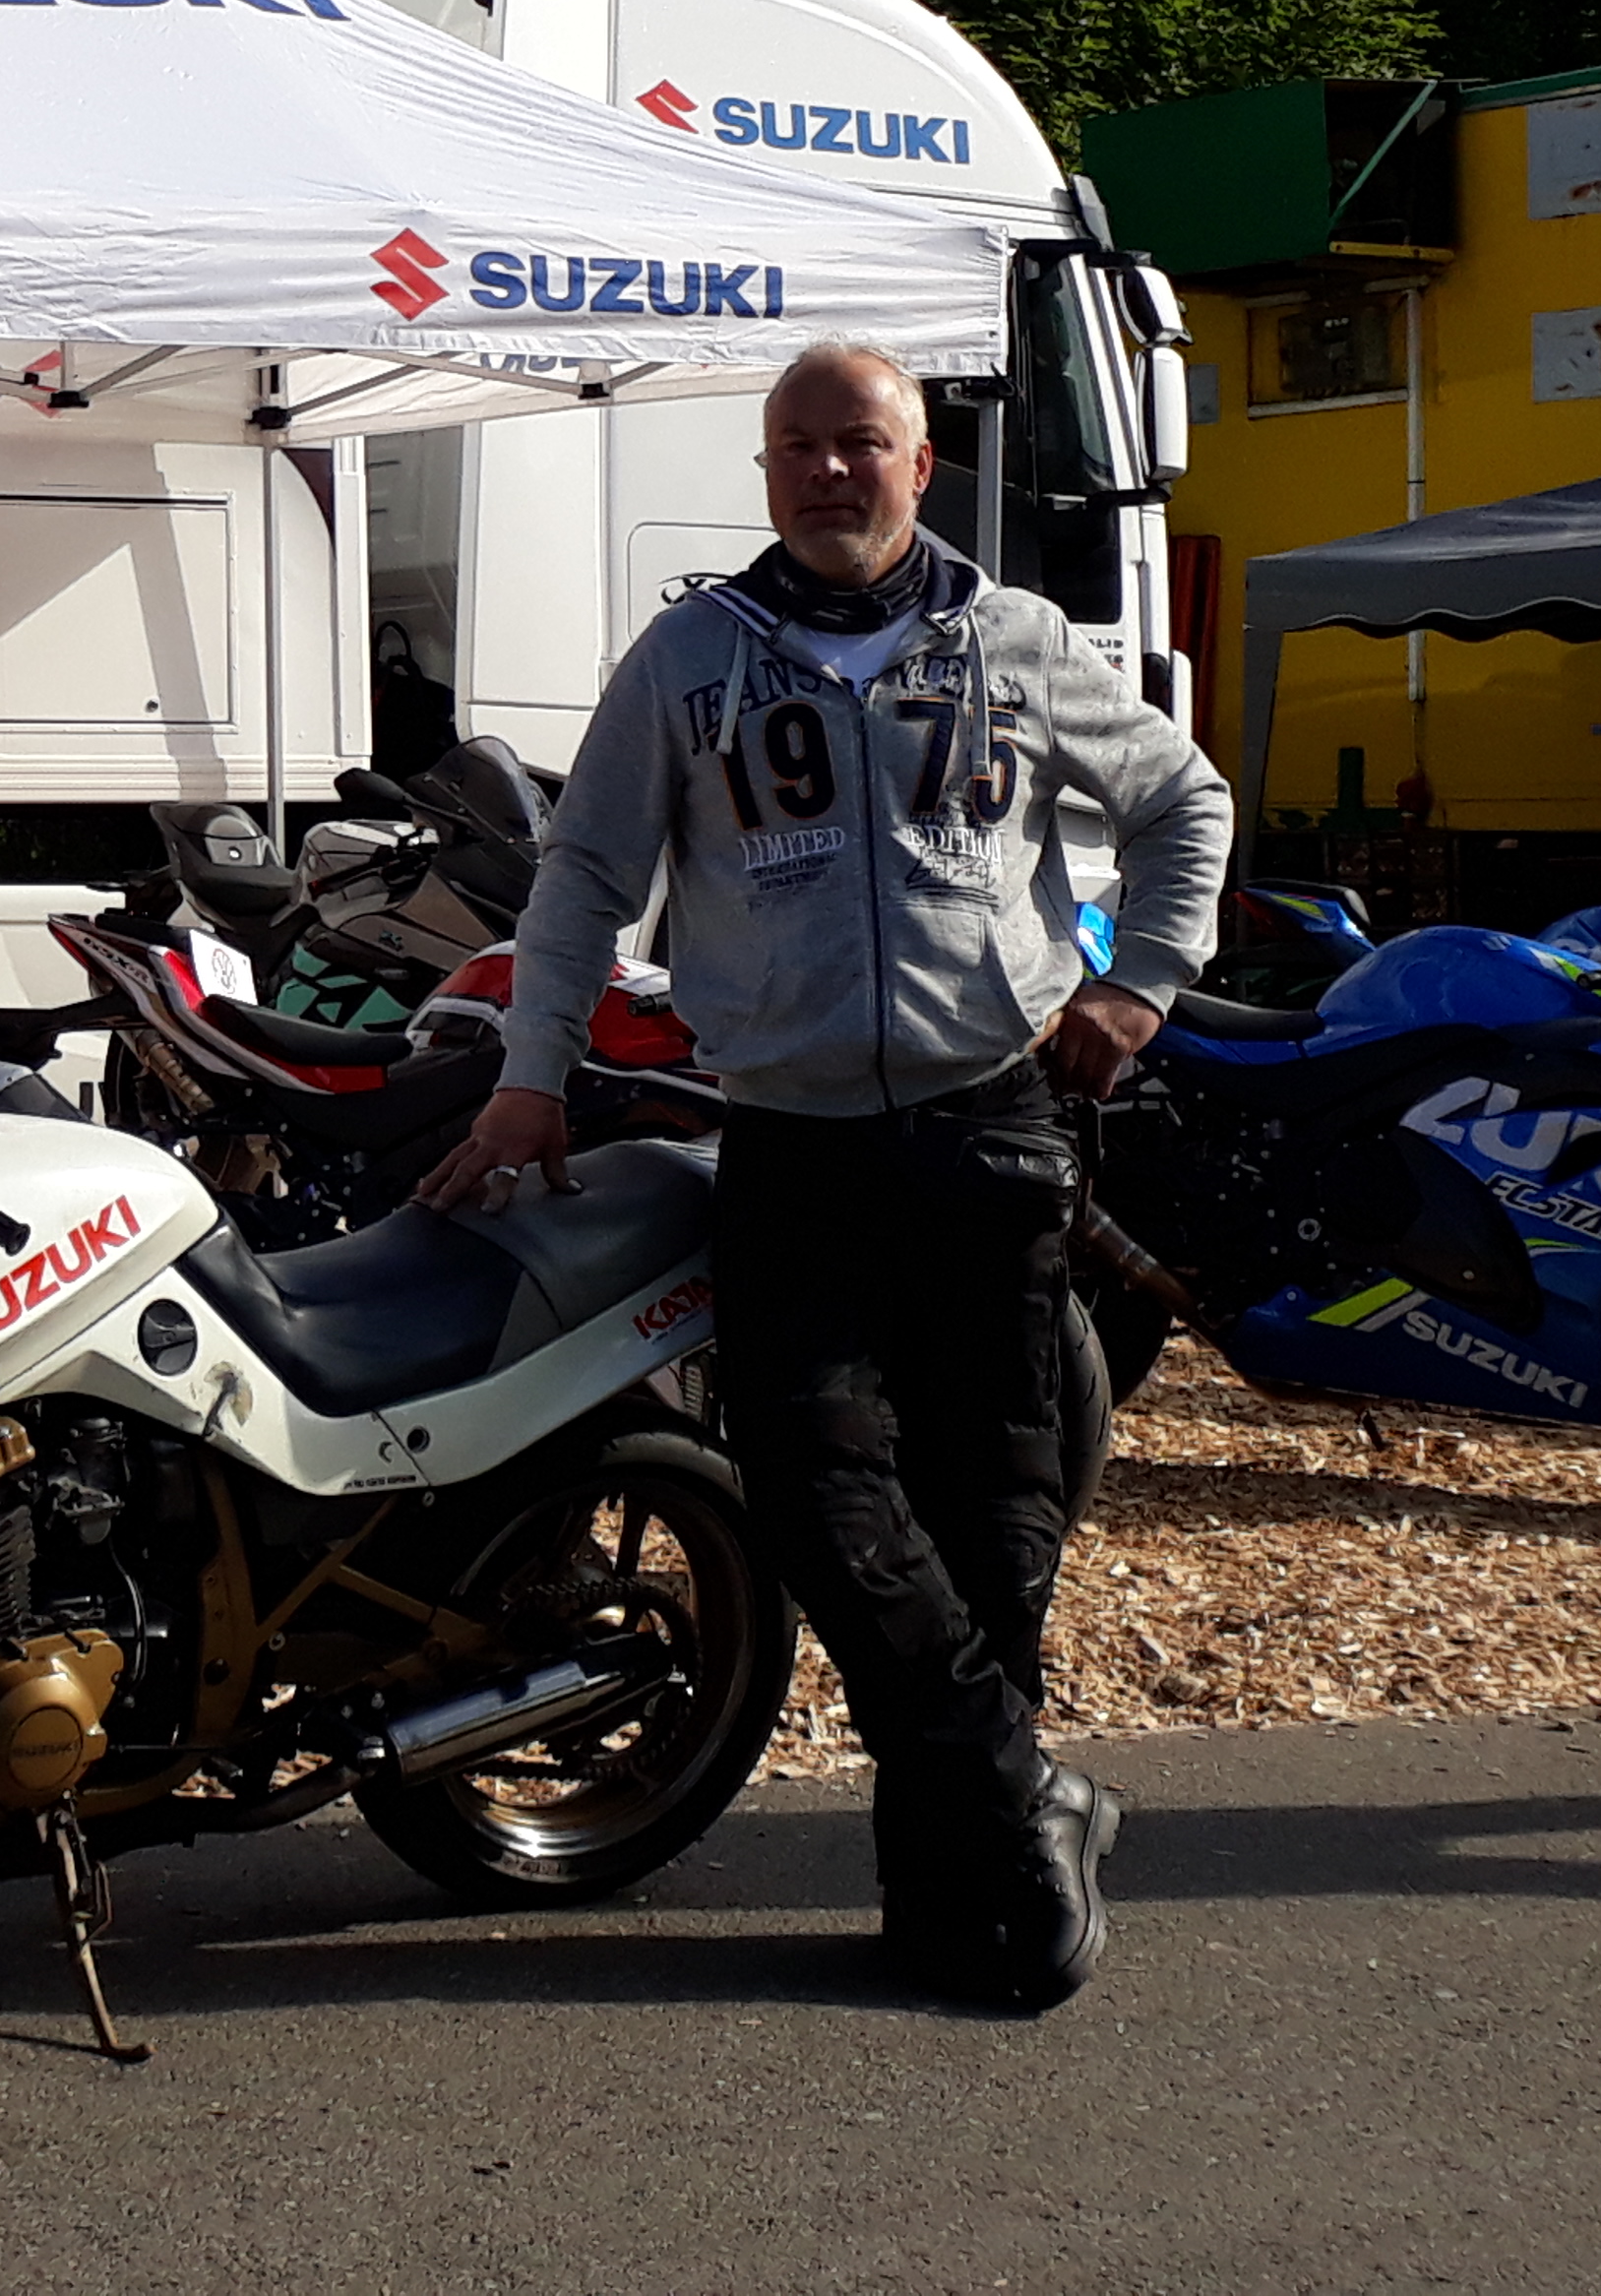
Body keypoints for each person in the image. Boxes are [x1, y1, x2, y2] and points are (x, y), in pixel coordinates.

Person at [414, 342, 1229, 2011]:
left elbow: (1182, 800)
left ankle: (957, 1911)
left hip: (990, 1126)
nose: (827, 471)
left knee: (994, 1525)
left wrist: (1137, 984)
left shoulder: (1014, 641)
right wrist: (529, 1078)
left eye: (859, 442)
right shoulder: (688, 659)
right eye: (796, 446)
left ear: (919, 466)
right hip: (790, 1144)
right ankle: (1031, 1794)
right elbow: (581, 880)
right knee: (816, 1502)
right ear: (768, 471)